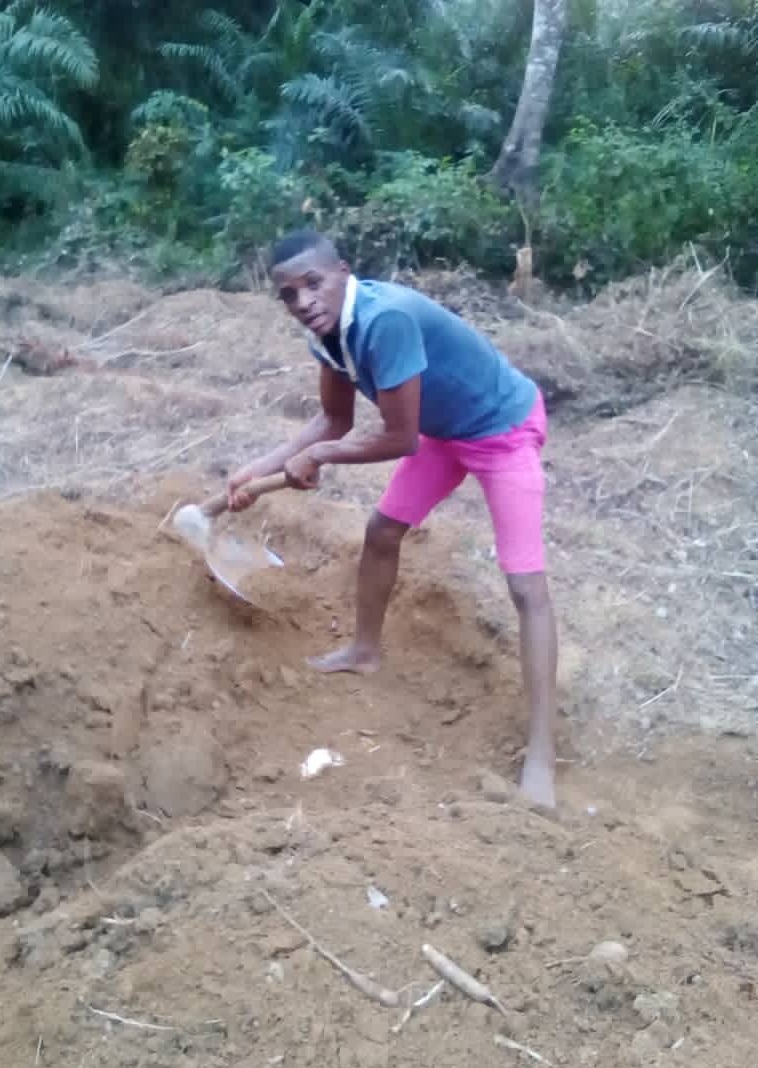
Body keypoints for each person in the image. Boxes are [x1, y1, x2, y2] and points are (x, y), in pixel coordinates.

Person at [222, 229, 558, 807]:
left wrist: (319, 459)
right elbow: (332, 421)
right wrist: (256, 470)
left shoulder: (386, 321)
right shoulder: (328, 339)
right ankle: (364, 651)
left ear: (344, 272)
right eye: (288, 295)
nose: (303, 302)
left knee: (526, 587)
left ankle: (542, 755)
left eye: (313, 283)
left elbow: (399, 438)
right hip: (445, 431)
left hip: (501, 427)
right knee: (382, 532)